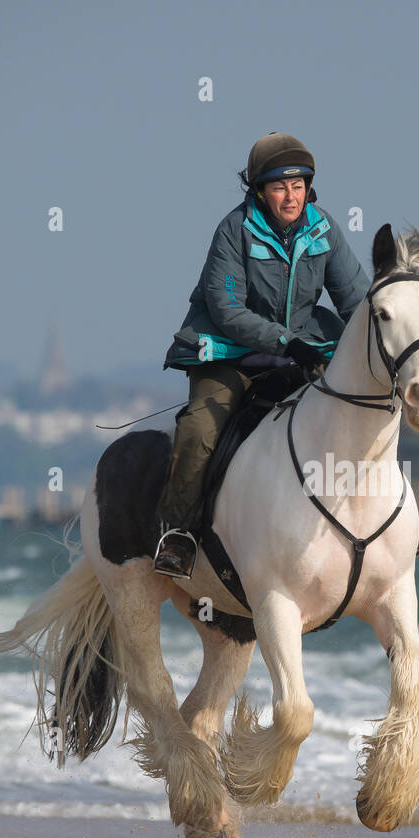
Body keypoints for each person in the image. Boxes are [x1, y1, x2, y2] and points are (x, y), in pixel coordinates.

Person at [153, 132, 371, 578]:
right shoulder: (233, 230)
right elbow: (227, 310)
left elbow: (356, 301)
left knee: (350, 414)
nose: (291, 196)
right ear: (258, 190)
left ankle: (378, 526)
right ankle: (177, 534)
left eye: (298, 185)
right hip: (229, 357)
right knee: (199, 429)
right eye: (278, 187)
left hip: (297, 356)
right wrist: (287, 342)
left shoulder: (323, 229)